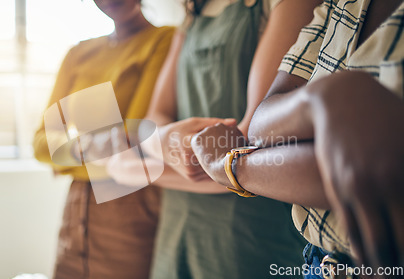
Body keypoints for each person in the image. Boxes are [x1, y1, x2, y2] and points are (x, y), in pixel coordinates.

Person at [108, 0, 322, 278]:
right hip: (177, 230)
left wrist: (135, 168)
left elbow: (248, 149)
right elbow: (154, 119)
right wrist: (163, 138)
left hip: (248, 237)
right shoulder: (191, 16)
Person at [191, 0, 404, 277]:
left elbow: (375, 166)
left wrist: (228, 166)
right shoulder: (340, 4)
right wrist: (322, 100)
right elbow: (260, 130)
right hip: (317, 265)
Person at [32, 0, 174, 278]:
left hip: (131, 206)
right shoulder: (78, 53)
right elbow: (39, 144)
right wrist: (91, 147)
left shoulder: (163, 40)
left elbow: (134, 144)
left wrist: (65, 158)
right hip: (76, 208)